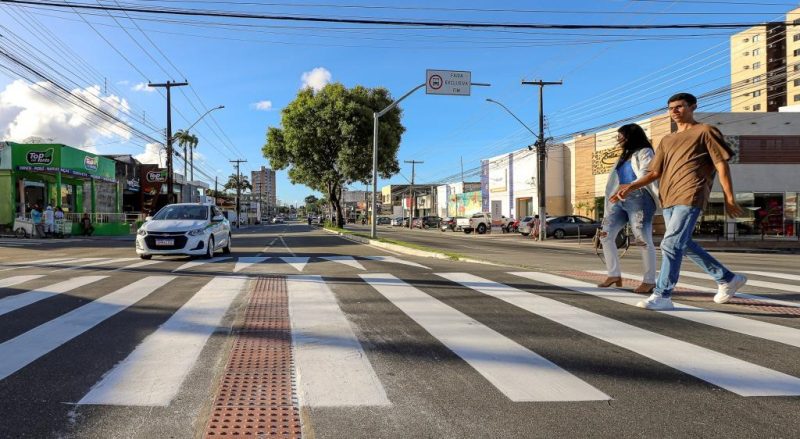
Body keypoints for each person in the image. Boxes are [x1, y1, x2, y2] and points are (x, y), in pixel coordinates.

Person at [613, 92, 747, 311]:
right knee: (681, 244)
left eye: (679, 107)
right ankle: (728, 278)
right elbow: (654, 172)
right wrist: (630, 186)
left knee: (670, 243)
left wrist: (729, 197)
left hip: (691, 194)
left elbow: (721, 164)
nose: (674, 111)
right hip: (668, 197)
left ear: (693, 107)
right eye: (670, 108)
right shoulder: (667, 139)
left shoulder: (705, 131)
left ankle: (663, 294)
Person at [597, 124, 659, 294]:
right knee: (605, 235)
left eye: (621, 136)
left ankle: (649, 281)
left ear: (631, 136)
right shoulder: (623, 156)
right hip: (618, 199)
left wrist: (628, 189)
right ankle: (614, 274)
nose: (618, 140)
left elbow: (646, 175)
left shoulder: (645, 151)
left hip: (639, 198)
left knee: (642, 238)